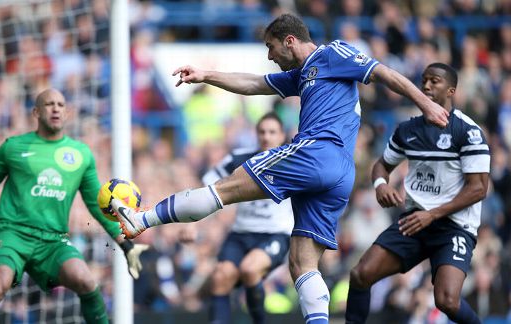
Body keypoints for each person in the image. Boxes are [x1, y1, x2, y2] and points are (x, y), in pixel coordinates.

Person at [112, 13, 449, 323]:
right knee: (302, 262)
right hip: (339, 175)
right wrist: (206, 75)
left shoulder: (333, 53)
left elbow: (383, 73)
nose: (270, 55)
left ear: (289, 40)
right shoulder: (302, 74)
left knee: (226, 188)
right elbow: (255, 83)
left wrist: (426, 103)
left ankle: (142, 219)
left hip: (318, 152)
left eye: (271, 47)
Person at [0, 89, 148, 324]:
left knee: (85, 280)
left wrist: (126, 245)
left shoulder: (81, 155)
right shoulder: (14, 147)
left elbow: (96, 205)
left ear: (67, 113)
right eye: (48, 104)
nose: (55, 108)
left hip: (52, 241)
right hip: (13, 235)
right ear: (36, 112)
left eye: (60, 104)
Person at [345, 63, 490, 324]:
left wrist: (432, 215)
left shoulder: (467, 131)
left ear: (451, 90)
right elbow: (382, 165)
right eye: (424, 80)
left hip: (453, 227)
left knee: (446, 301)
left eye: (434, 81)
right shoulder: (407, 130)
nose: (426, 85)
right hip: (414, 222)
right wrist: (381, 184)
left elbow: (478, 188)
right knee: (360, 274)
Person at [191, 112, 294, 324]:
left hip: (274, 234)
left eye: (272, 132)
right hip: (240, 233)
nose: (266, 137)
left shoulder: (294, 162)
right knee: (220, 276)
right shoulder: (239, 159)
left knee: (250, 268)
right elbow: (208, 188)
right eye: (262, 132)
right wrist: (192, 222)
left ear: (282, 135)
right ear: (256, 134)